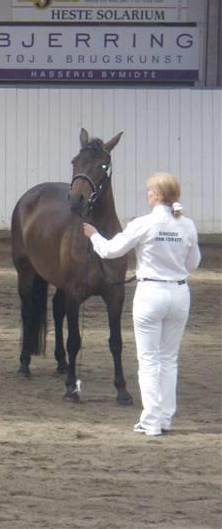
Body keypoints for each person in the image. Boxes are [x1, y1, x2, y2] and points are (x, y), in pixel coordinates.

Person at [83, 172, 201, 436]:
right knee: (169, 360)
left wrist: (93, 235)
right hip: (179, 294)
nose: (147, 194)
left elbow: (111, 251)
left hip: (150, 293)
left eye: (149, 191)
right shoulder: (188, 225)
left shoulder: (143, 223)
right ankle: (165, 418)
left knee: (148, 361)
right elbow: (193, 264)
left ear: (157, 195)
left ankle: (151, 421)